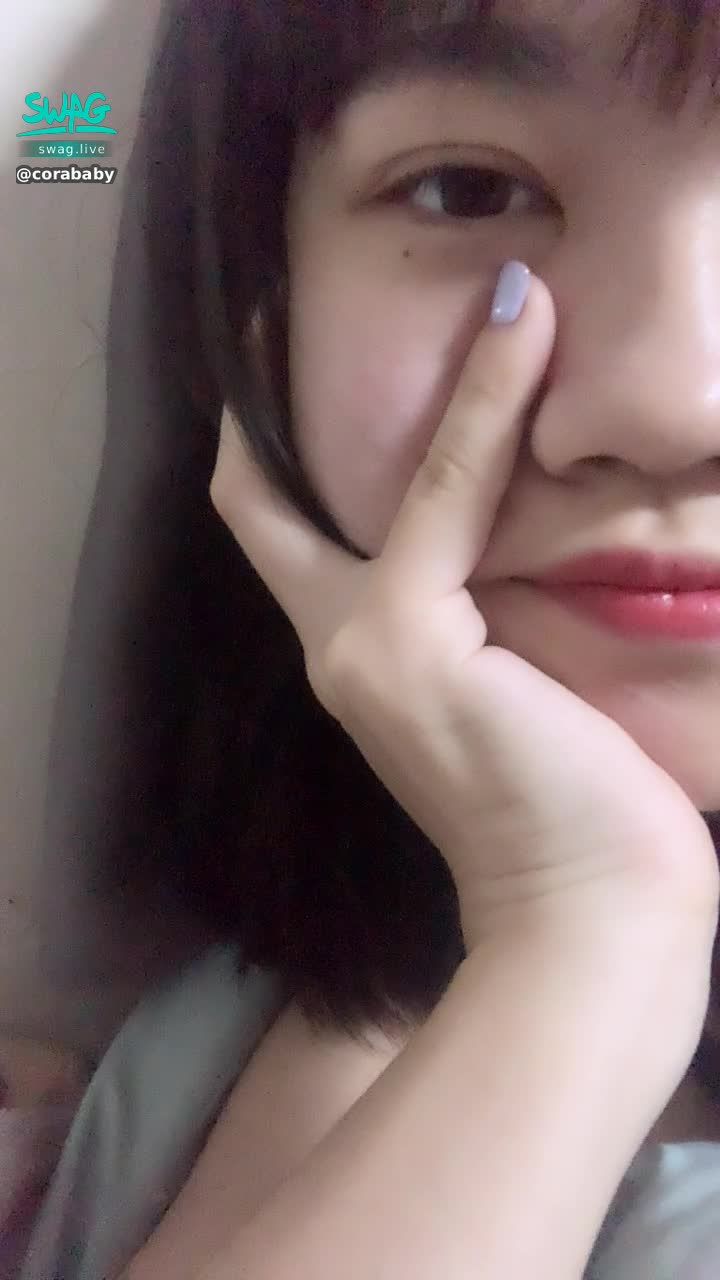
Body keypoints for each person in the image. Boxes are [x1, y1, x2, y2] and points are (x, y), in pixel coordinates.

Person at [11, 0, 720, 1275]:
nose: (673, 406)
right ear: (253, 304)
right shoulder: (274, 1019)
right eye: (468, 189)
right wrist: (583, 921)